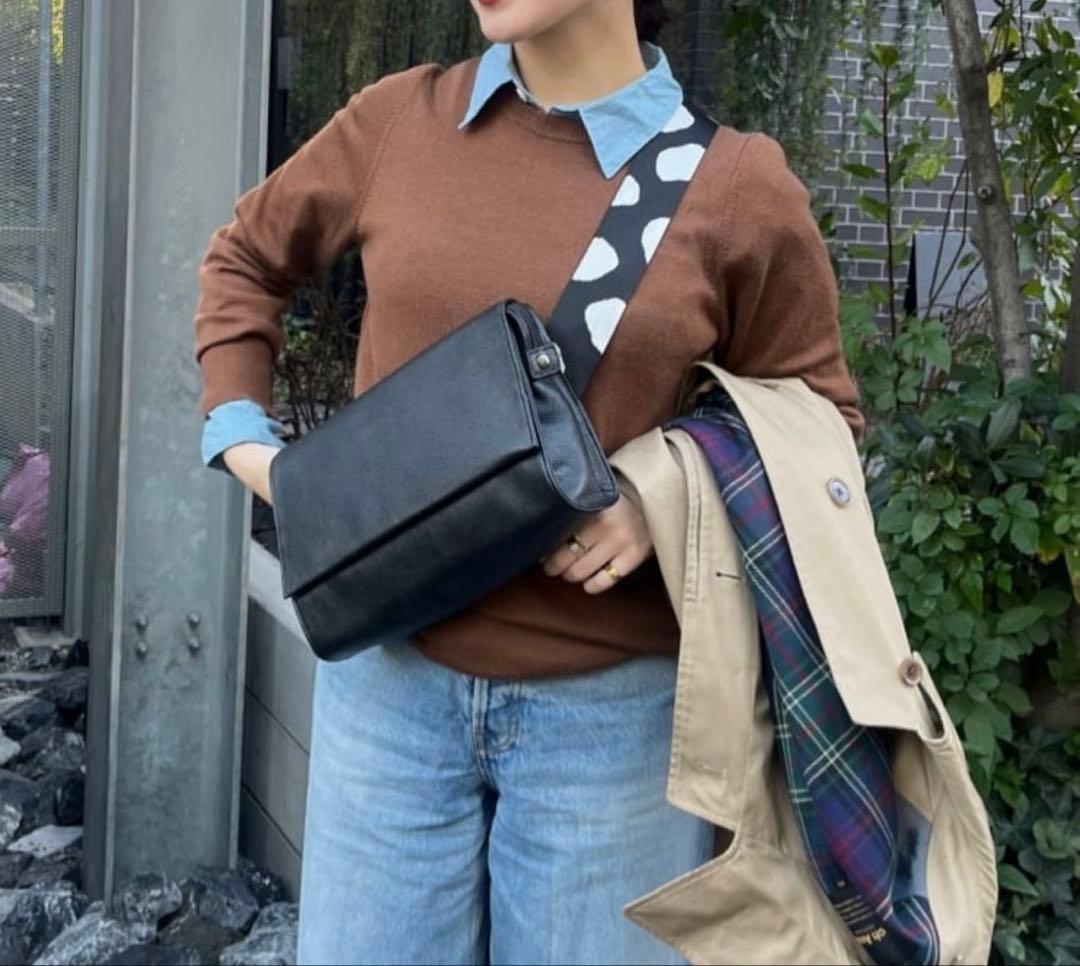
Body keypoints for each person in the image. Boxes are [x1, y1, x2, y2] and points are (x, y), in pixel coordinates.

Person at [192, 1, 865, 963]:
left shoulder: (734, 187)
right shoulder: (400, 121)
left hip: (615, 727)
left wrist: (665, 491)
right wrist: (245, 441)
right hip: (385, 693)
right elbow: (245, 259)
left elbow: (819, 424)